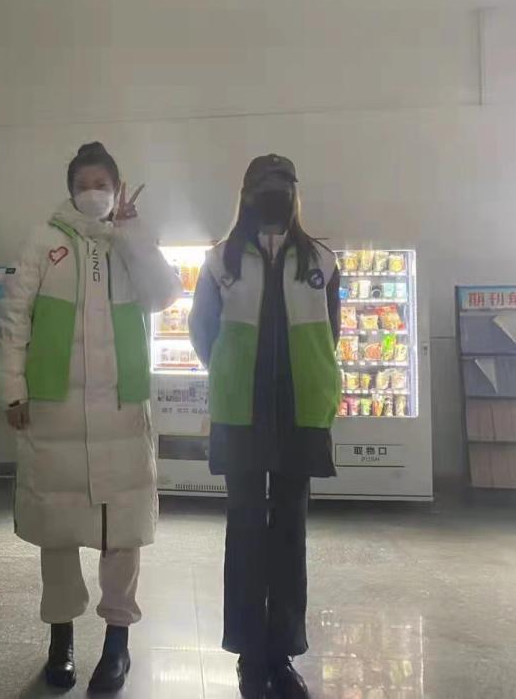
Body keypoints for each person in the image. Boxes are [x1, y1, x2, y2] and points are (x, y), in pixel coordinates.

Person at [0, 142, 181, 692]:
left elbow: (165, 295)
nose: (93, 192)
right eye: (84, 183)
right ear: (70, 190)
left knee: (122, 535)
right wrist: (13, 390)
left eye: (103, 183)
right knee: (57, 532)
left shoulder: (130, 239)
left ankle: (117, 644)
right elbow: (14, 317)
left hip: (122, 412)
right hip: (54, 413)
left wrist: (132, 233)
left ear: (119, 189)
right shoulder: (44, 240)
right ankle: (61, 640)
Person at [189, 155, 340, 699]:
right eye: (264, 186)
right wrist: (232, 373)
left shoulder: (321, 260)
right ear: (246, 194)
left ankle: (283, 654)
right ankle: (250, 656)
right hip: (241, 413)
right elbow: (202, 331)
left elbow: (331, 333)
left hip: (301, 413)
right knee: (246, 533)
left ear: (295, 194)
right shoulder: (219, 261)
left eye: (283, 185)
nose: (274, 194)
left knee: (291, 535)